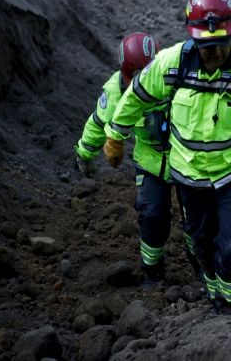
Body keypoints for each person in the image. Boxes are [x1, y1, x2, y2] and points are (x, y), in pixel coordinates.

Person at [104, 0, 231, 314]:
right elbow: (136, 98)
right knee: (201, 243)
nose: (214, 53)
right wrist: (116, 135)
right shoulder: (171, 64)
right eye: (206, 45)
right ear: (193, 37)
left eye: (221, 44)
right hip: (190, 176)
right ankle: (217, 295)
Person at [75, 31, 183, 285]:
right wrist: (84, 155)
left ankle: (203, 265)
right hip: (150, 161)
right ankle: (152, 270)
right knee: (152, 215)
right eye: (136, 75)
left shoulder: (177, 75)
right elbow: (97, 124)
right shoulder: (116, 93)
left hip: (188, 158)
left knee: (197, 219)